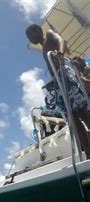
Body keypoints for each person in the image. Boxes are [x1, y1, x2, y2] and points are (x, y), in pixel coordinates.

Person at [26, 24, 90, 158]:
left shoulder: (49, 35)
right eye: (28, 37)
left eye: (31, 34)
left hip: (66, 76)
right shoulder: (44, 47)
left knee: (83, 112)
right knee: (73, 120)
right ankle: (88, 155)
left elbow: (61, 40)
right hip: (58, 81)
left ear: (38, 31)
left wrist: (60, 52)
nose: (30, 38)